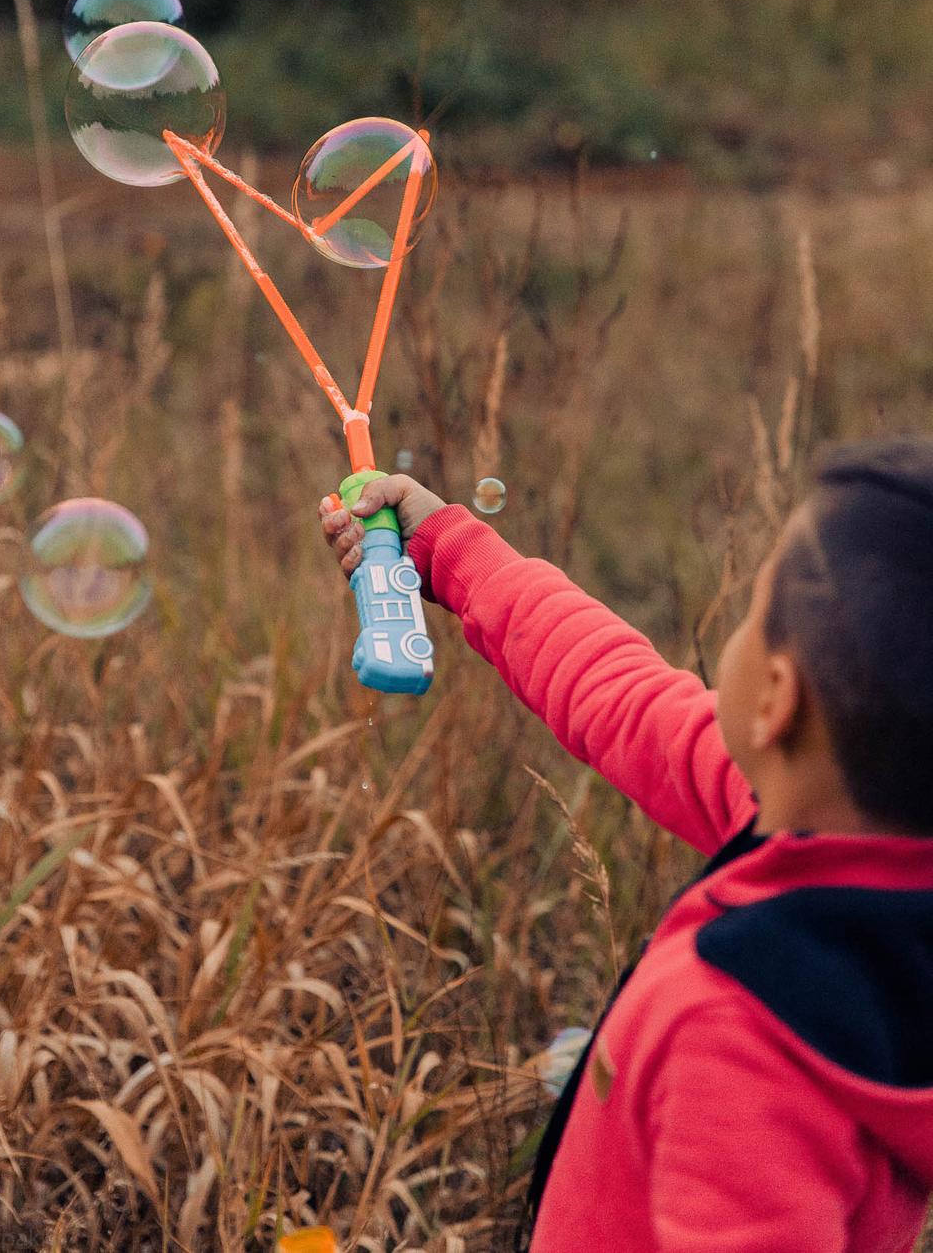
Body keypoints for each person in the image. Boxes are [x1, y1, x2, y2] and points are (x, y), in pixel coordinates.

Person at [318, 438, 933, 1253]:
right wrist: (446, 550)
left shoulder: (742, 1042)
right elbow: (616, 691)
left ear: (777, 701)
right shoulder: (834, 834)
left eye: (755, 610)